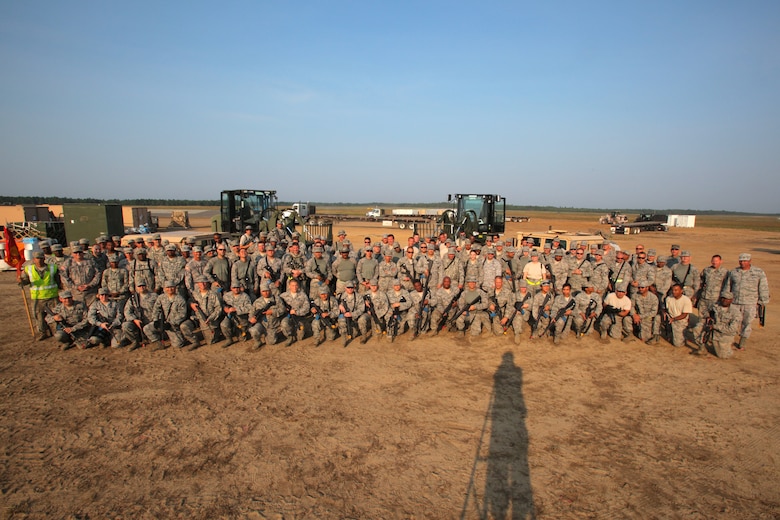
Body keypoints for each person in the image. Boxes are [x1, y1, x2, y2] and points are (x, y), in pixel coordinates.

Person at [722, 253, 770, 350]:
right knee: (732, 321)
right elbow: (728, 286)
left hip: (750, 303)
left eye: (745, 261)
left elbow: (763, 287)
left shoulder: (758, 272)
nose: (743, 263)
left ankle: (742, 342)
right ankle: (729, 340)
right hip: (735, 302)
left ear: (750, 261)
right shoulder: (734, 272)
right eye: (741, 261)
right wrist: (725, 298)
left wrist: (762, 301)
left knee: (747, 323)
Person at [20, 251, 61, 340]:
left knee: (55, 315)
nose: (39, 260)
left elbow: (58, 281)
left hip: (52, 296)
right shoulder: (28, 269)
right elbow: (26, 281)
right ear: (34, 260)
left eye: (41, 258)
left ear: (44, 259)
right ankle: (43, 332)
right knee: (39, 316)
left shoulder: (53, 268)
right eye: (37, 258)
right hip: (37, 298)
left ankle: (56, 332)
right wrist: (21, 281)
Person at [693, 291, 742, 359]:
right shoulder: (715, 305)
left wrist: (715, 326)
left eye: (727, 299)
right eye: (723, 298)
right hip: (712, 331)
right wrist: (708, 316)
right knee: (698, 328)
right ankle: (702, 348)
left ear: (731, 300)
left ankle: (727, 347)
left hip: (724, 335)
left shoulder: (736, 313)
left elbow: (732, 329)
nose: (724, 300)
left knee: (723, 356)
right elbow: (706, 311)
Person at [122, 280, 158, 351]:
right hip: (138, 322)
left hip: (152, 321)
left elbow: (160, 309)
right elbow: (127, 311)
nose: (142, 287)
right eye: (139, 286)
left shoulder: (154, 296)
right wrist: (134, 320)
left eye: (143, 285)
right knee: (125, 326)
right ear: (137, 288)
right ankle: (135, 342)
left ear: (146, 286)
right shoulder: (133, 299)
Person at [189, 276, 224, 345]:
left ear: (207, 283)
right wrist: (191, 304)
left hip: (210, 320)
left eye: (204, 282)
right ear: (197, 284)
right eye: (200, 283)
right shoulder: (194, 294)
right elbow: (189, 301)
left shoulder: (213, 294)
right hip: (198, 319)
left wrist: (211, 317)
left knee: (211, 342)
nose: (202, 284)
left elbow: (218, 308)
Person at [221, 283, 253, 348]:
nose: (236, 289)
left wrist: (236, 309)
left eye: (237, 287)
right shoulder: (226, 296)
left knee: (242, 339)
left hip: (240, 318)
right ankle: (229, 339)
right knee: (224, 324)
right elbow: (222, 304)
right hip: (230, 316)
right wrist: (225, 308)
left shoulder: (245, 296)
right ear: (231, 288)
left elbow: (249, 308)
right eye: (234, 288)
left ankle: (240, 331)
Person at [279, 278, 310, 346]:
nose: (294, 287)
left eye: (296, 285)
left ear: (298, 286)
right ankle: (289, 337)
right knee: (284, 324)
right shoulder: (283, 296)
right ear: (289, 286)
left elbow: (307, 308)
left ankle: (298, 330)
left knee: (300, 337)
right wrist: (284, 309)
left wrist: (297, 312)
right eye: (292, 285)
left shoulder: (303, 295)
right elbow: (278, 306)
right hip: (288, 317)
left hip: (299, 318)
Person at [338, 281, 369, 345]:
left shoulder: (358, 296)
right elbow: (334, 304)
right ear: (345, 288)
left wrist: (352, 314)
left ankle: (364, 337)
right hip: (346, 316)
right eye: (348, 287)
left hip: (356, 316)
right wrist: (339, 305)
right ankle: (344, 339)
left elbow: (361, 309)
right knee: (341, 320)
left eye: (351, 288)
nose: (350, 289)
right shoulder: (341, 296)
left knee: (362, 320)